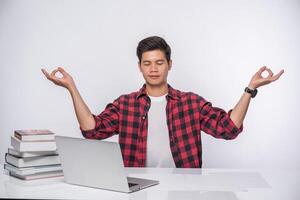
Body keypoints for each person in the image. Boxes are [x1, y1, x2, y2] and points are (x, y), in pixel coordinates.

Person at [42, 36, 284, 168]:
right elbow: (92, 130)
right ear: (140, 67)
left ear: (169, 64)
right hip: (137, 188)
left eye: (159, 62)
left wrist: (250, 88)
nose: (153, 68)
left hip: (184, 190)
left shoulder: (190, 103)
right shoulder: (126, 104)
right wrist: (71, 87)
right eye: (147, 63)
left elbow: (229, 129)